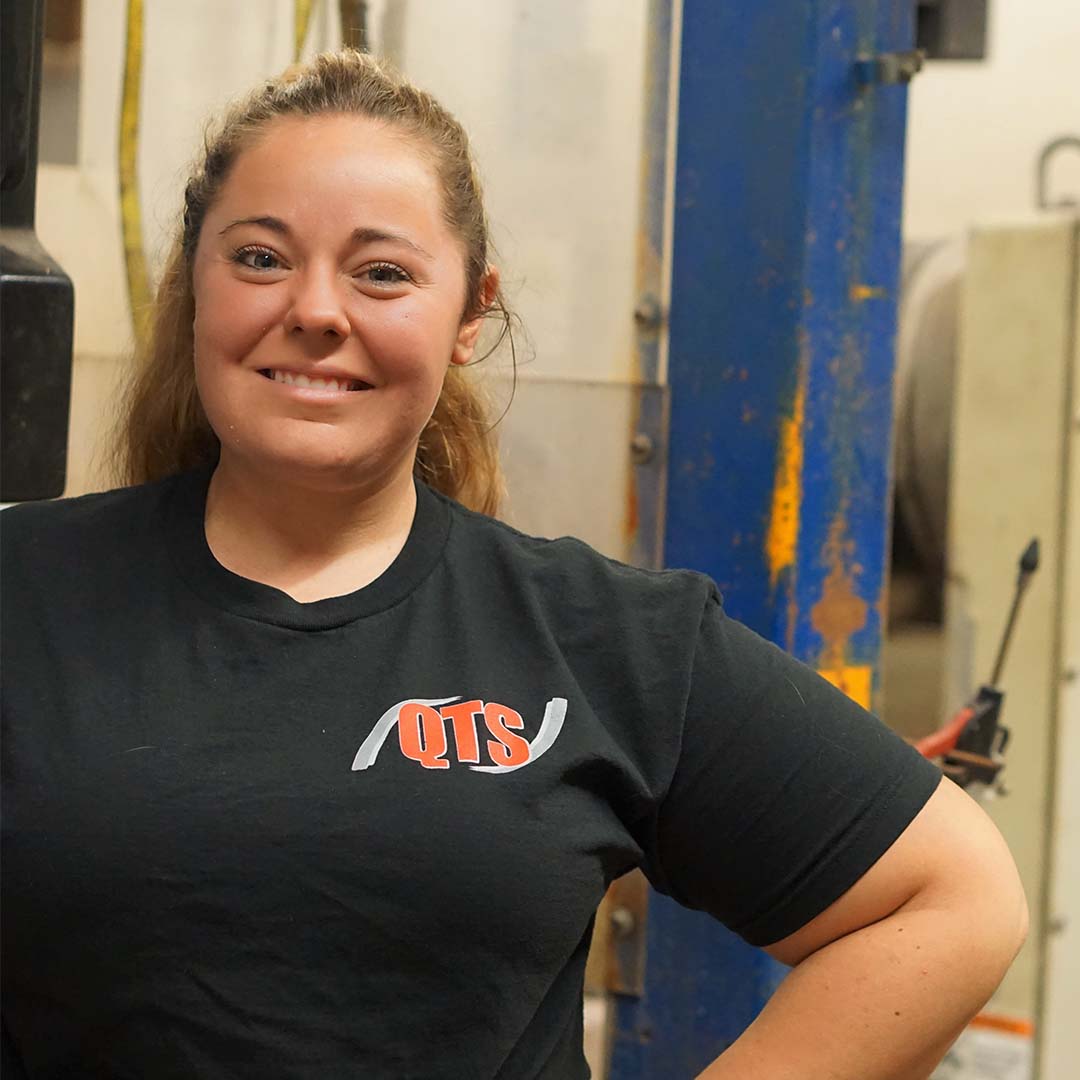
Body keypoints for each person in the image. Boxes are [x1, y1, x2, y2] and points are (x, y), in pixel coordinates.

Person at [1, 50, 1026, 1080]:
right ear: (195, 288)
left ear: (469, 314)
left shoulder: (596, 640)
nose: (316, 309)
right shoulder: (24, 591)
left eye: (383, 272)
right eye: (260, 258)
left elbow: (954, 897)